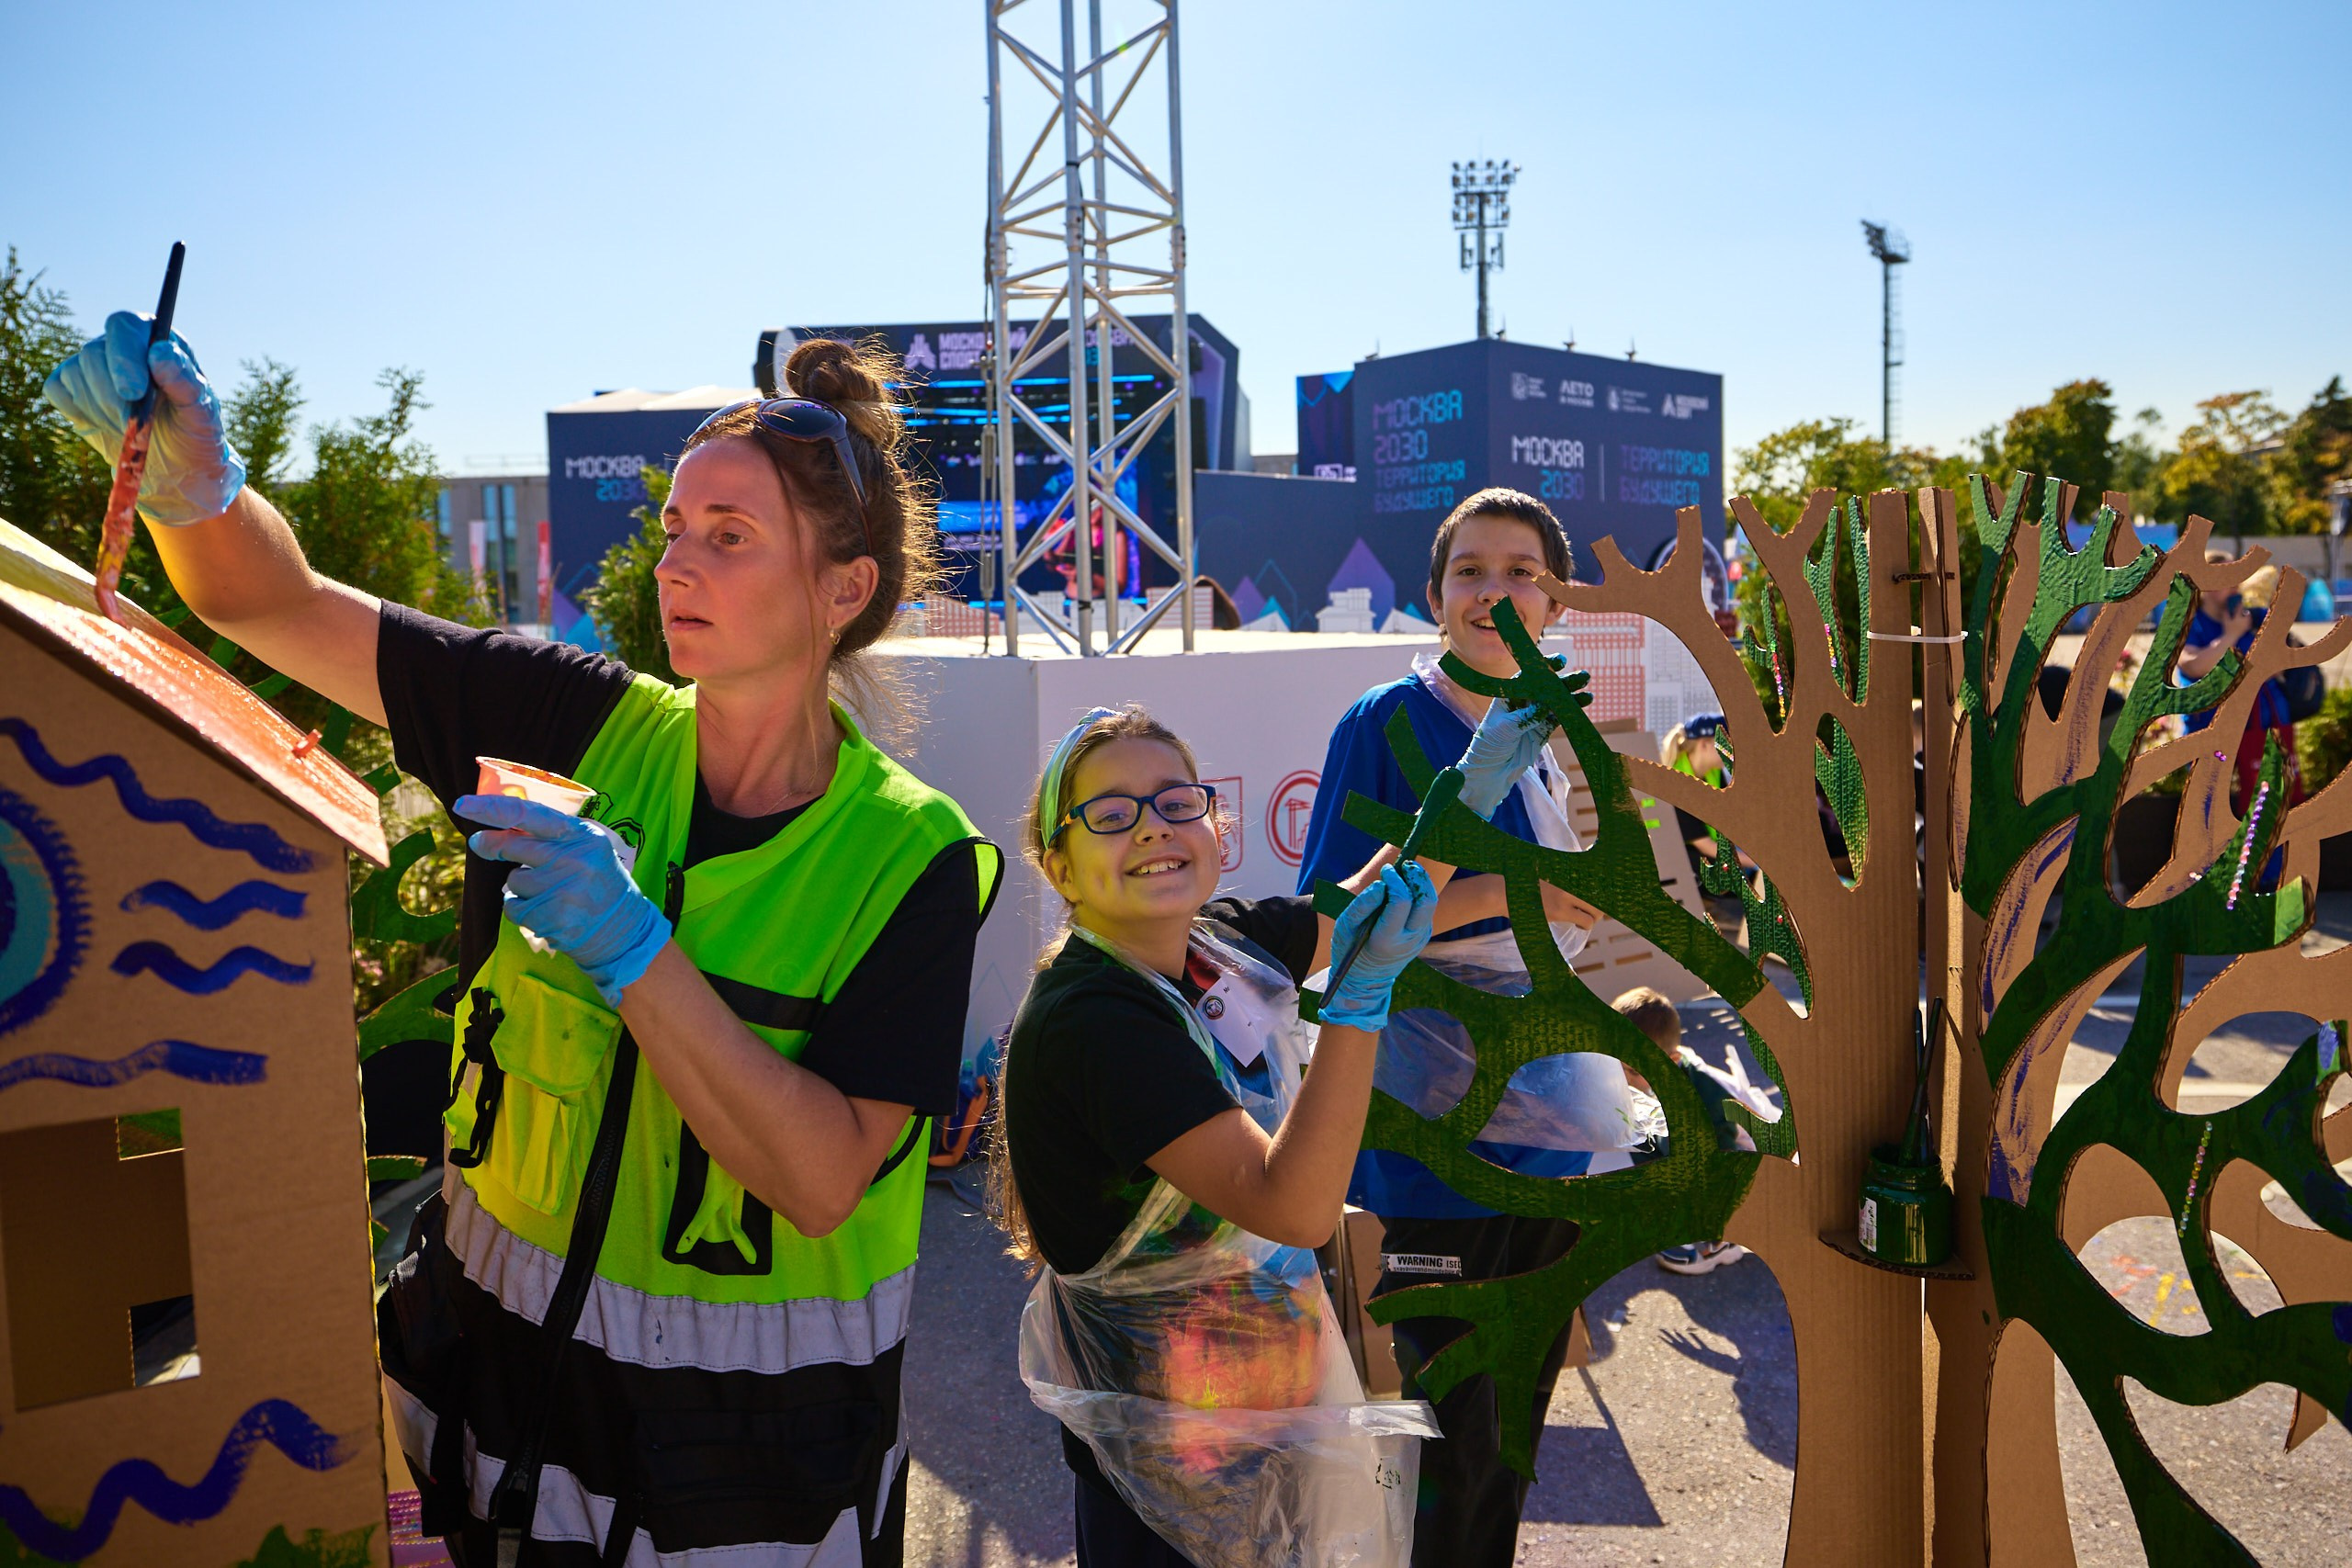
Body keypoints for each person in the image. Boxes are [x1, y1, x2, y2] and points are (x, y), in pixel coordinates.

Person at [47, 319, 998, 1565]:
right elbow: (263, 600)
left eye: (731, 537)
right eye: (674, 530)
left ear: (844, 589)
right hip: (474, 1431)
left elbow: (822, 1179)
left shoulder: (910, 855)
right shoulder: (568, 717)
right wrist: (195, 489)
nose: (677, 567)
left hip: (739, 1501)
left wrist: (638, 953)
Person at [994, 705, 1443, 1568]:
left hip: (1262, 1412)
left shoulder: (1215, 945)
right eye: (1112, 814)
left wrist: (1476, 775)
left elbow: (1370, 898)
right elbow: (1297, 1207)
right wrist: (1358, 1003)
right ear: (1060, 864)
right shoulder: (1094, 1017)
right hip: (1168, 1477)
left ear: (1215, 823)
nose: (1153, 830)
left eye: (1175, 803)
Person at [1295, 487, 1633, 1568]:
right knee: (1453, 1440)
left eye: (1523, 571)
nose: (1497, 590)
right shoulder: (1389, 723)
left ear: (1555, 598)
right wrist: (1519, 894)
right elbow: (1331, 925)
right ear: (1435, 597)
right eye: (1472, 571)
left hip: (1543, 1139)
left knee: (1515, 1434)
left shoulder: (1538, 730)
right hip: (1437, 1148)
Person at [1610, 987, 1750, 1275]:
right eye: (1616, 1066)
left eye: (1633, 1072)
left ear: (1671, 1062)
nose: (1624, 1080)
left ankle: (1721, 1241)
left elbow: (1723, 1153)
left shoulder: (1703, 1093)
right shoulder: (1642, 1083)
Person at [2178, 555, 2305, 815]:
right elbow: (2193, 666)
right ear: (2206, 586)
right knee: (2207, 808)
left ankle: (2272, 856)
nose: (2236, 586)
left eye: (2237, 579)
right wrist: (2232, 634)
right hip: (2211, 734)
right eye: (2227, 579)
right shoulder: (2190, 624)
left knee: (2268, 810)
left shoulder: (2253, 617)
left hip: (2263, 729)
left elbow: (2283, 662)